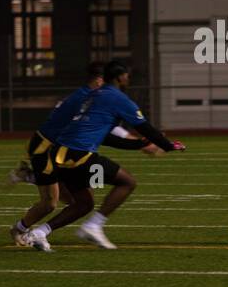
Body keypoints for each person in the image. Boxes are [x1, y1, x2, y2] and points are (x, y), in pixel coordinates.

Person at [10, 60, 184, 251]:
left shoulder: (91, 96)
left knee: (84, 203)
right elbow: (145, 128)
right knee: (127, 182)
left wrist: (140, 144)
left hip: (63, 155)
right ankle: (92, 226)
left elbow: (106, 138)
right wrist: (167, 145)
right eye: (126, 74)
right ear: (119, 77)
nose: (128, 78)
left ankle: (39, 232)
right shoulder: (117, 98)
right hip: (78, 157)